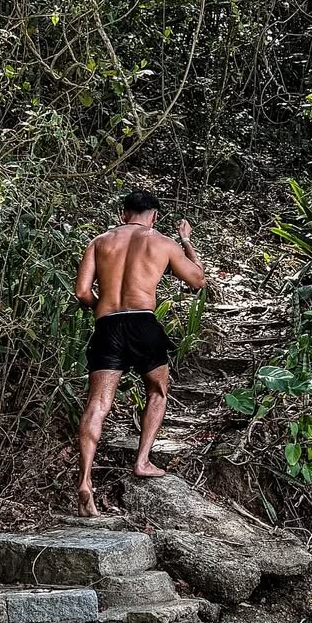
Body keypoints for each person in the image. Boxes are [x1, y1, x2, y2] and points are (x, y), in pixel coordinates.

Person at [73, 189, 205, 517]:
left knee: (98, 405)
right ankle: (143, 460)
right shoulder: (162, 242)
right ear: (154, 217)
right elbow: (198, 281)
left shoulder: (99, 242)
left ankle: (85, 481)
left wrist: (99, 310)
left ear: (123, 214)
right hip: (144, 324)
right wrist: (186, 241)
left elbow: (81, 292)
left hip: (108, 326)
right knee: (158, 389)